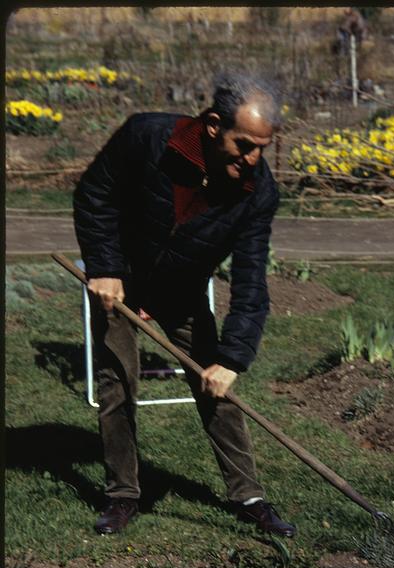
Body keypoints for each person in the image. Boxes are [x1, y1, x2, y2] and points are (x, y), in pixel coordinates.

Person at [73, 72, 296, 538]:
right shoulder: (146, 138)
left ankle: (248, 496)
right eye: (245, 145)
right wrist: (105, 267)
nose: (254, 158)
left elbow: (251, 279)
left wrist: (232, 359)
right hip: (121, 283)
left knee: (218, 388)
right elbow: (95, 195)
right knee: (118, 381)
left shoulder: (258, 192)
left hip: (181, 291)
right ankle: (122, 495)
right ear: (214, 125)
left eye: (262, 147)